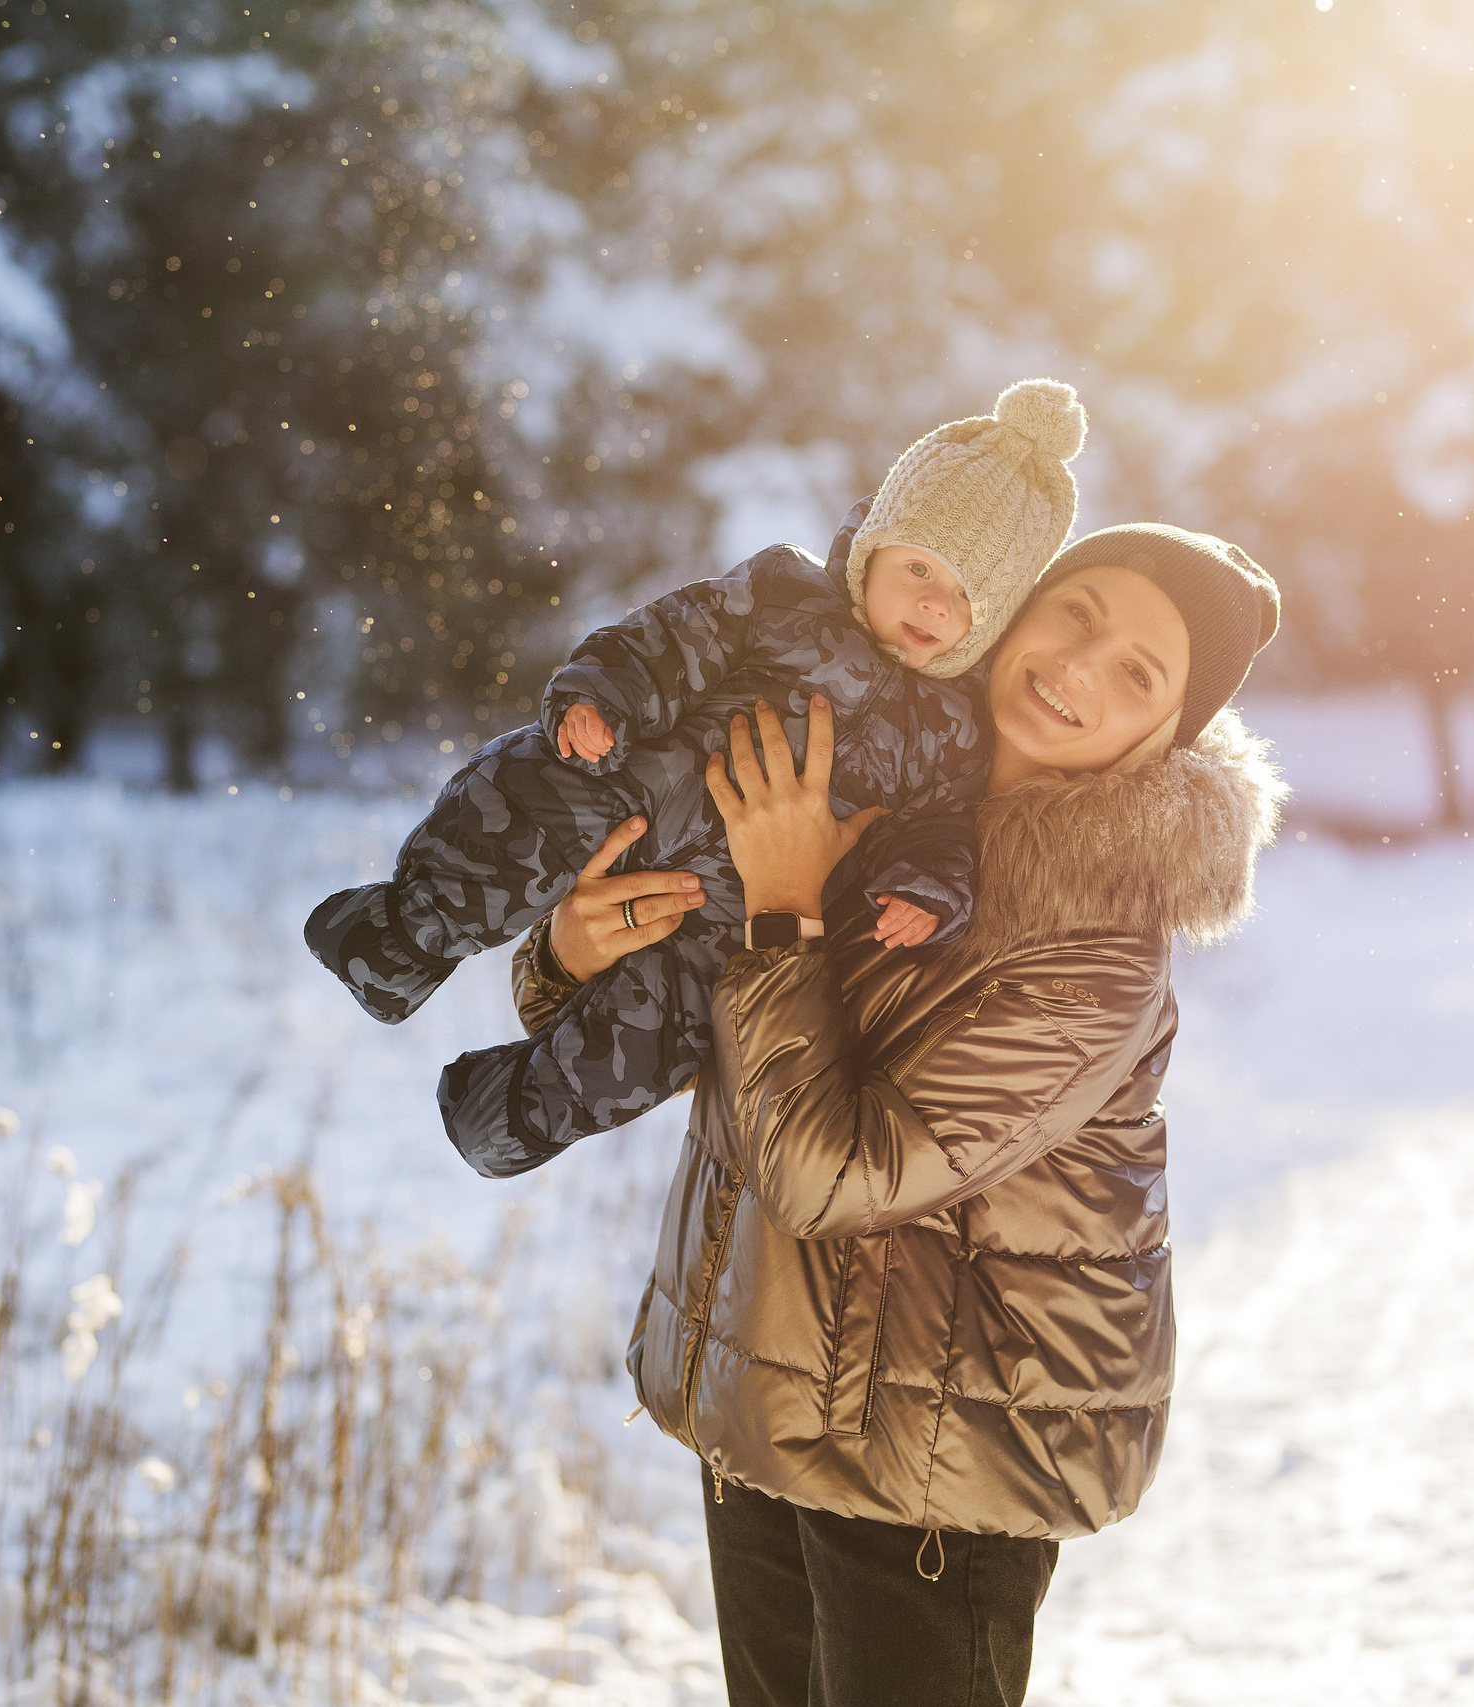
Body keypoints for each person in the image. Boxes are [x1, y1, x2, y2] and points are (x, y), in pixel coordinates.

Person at [510, 523, 1286, 1706]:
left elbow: (834, 1178)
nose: (1080, 667)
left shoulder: (1094, 949)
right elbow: (673, 1014)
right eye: (1076, 612)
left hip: (942, 1461)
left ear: (1163, 734)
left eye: (1139, 672)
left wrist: (780, 907)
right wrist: (565, 956)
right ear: (1018, 602)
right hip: (768, 1393)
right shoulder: (870, 785)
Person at [304, 381, 1088, 1176]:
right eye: (919, 566)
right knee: (526, 797)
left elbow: (941, 828)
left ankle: (513, 1113)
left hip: (727, 919)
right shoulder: (784, 592)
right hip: (640, 786)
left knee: (660, 1033)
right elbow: (676, 635)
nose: (933, 603)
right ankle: (405, 933)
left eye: (965, 597)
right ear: (874, 542)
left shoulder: (954, 734)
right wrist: (604, 696)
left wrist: (925, 889)